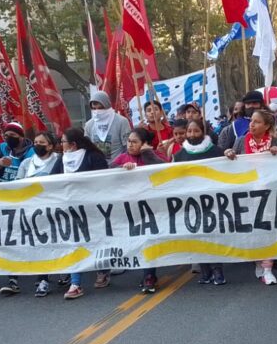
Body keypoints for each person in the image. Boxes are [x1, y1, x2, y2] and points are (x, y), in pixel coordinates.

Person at [224, 109, 277, 284]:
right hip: (247, 193)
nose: (252, 124)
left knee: (269, 228)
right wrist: (228, 154)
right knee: (253, 228)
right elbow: (232, 163)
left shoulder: (275, 141)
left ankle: (267, 268)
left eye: (257, 122)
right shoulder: (241, 140)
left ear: (267, 126)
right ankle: (259, 260)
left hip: (269, 192)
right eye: (252, 121)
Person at [1, 131, 61, 297]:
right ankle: (13, 280)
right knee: (21, 241)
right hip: (28, 209)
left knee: (46, 243)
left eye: (41, 142)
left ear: (50, 146)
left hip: (50, 209)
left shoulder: (58, 160)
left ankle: (43, 279)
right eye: (35, 142)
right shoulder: (26, 163)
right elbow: (18, 184)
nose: (37, 145)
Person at [53, 127, 110, 299]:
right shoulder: (62, 160)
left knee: (97, 239)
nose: (61, 145)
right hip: (69, 209)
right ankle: (75, 283)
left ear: (72, 144)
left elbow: (104, 181)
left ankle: (103, 270)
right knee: (74, 243)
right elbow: (50, 180)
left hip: (92, 208)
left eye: (63, 142)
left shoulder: (94, 157)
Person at [112, 128, 168, 293]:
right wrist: (121, 170)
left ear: (144, 144)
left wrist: (147, 154)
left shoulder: (155, 155)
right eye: (129, 141)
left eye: (134, 141)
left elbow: (165, 169)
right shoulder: (122, 158)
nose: (130, 144)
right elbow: (105, 173)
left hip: (152, 206)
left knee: (148, 239)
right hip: (129, 208)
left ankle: (149, 276)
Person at [173, 120, 227, 285]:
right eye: (189, 131)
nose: (191, 135)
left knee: (213, 236)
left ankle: (218, 270)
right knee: (197, 235)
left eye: (196, 131)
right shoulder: (180, 154)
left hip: (212, 201)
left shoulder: (216, 151)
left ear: (203, 133)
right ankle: (205, 271)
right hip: (191, 202)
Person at [84, 90, 132, 161]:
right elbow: (87, 148)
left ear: (107, 106)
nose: (97, 111)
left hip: (119, 167)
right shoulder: (88, 125)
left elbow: (128, 146)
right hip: (98, 168)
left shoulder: (121, 121)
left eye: (100, 108)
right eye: (94, 109)